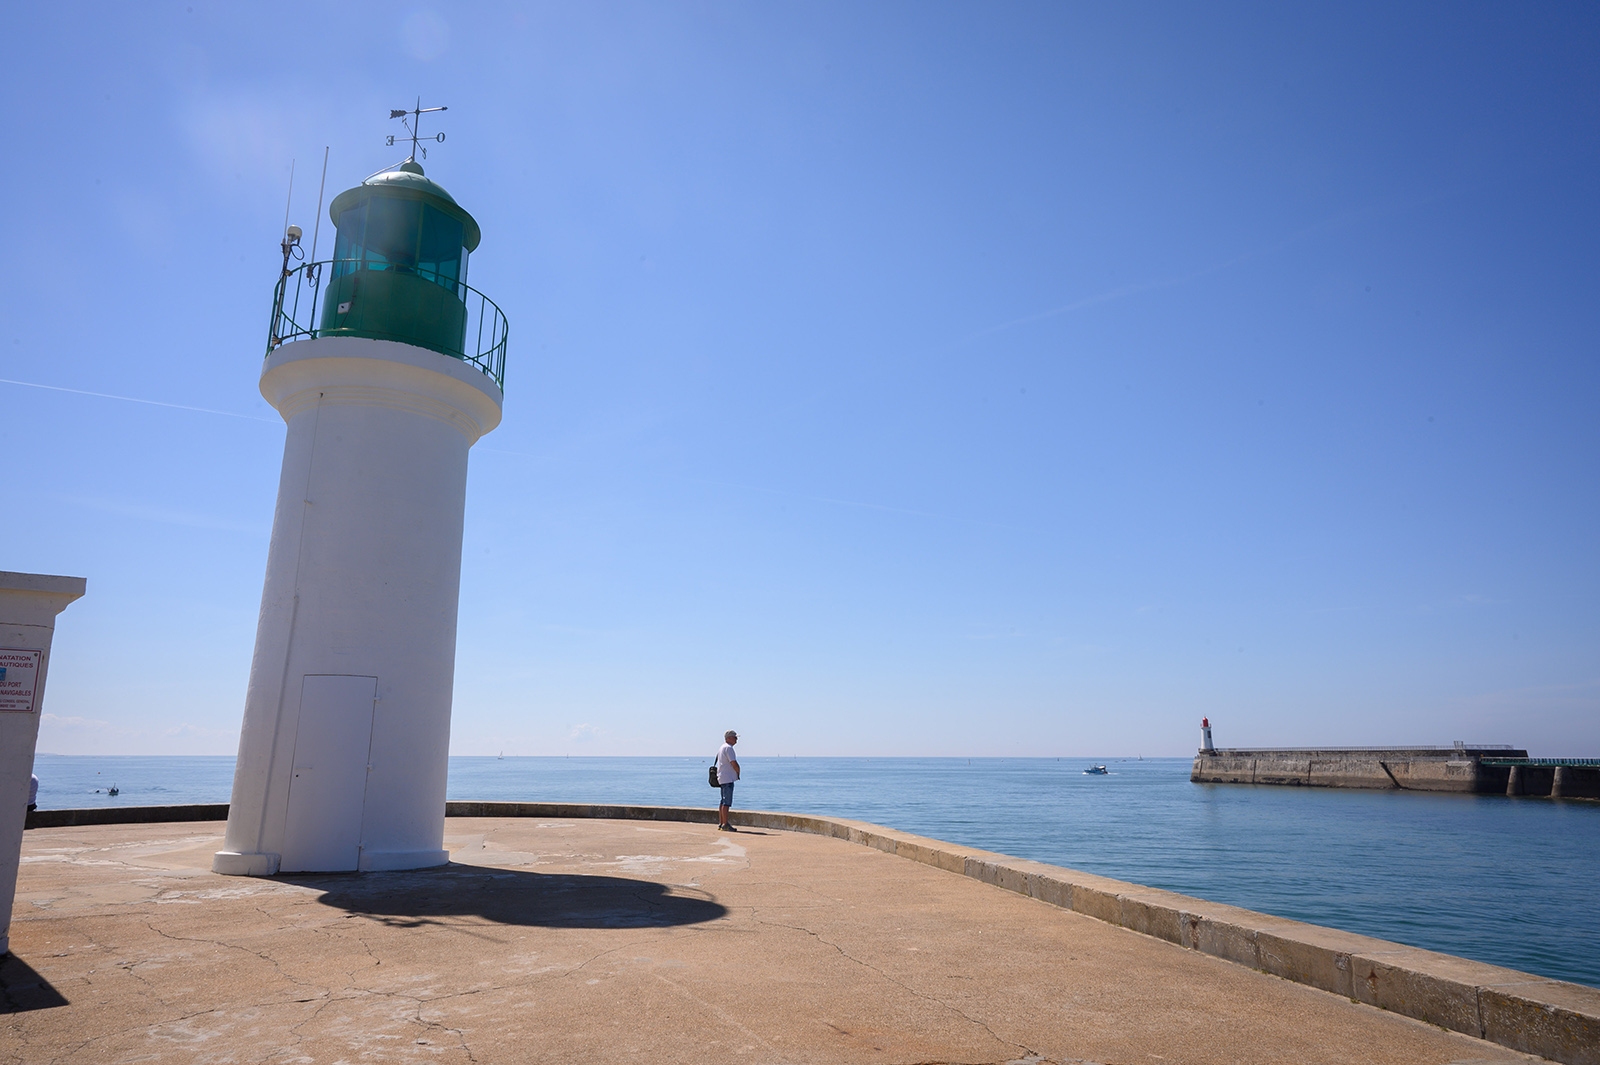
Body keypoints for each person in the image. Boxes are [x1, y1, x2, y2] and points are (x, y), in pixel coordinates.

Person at [715, 730, 740, 831]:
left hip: (722, 777)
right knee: (726, 802)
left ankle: (721, 823)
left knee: (723, 801)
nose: (736, 739)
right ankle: (725, 824)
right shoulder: (729, 748)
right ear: (728, 738)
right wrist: (738, 772)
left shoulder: (722, 747)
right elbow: (733, 762)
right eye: (735, 737)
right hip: (728, 778)